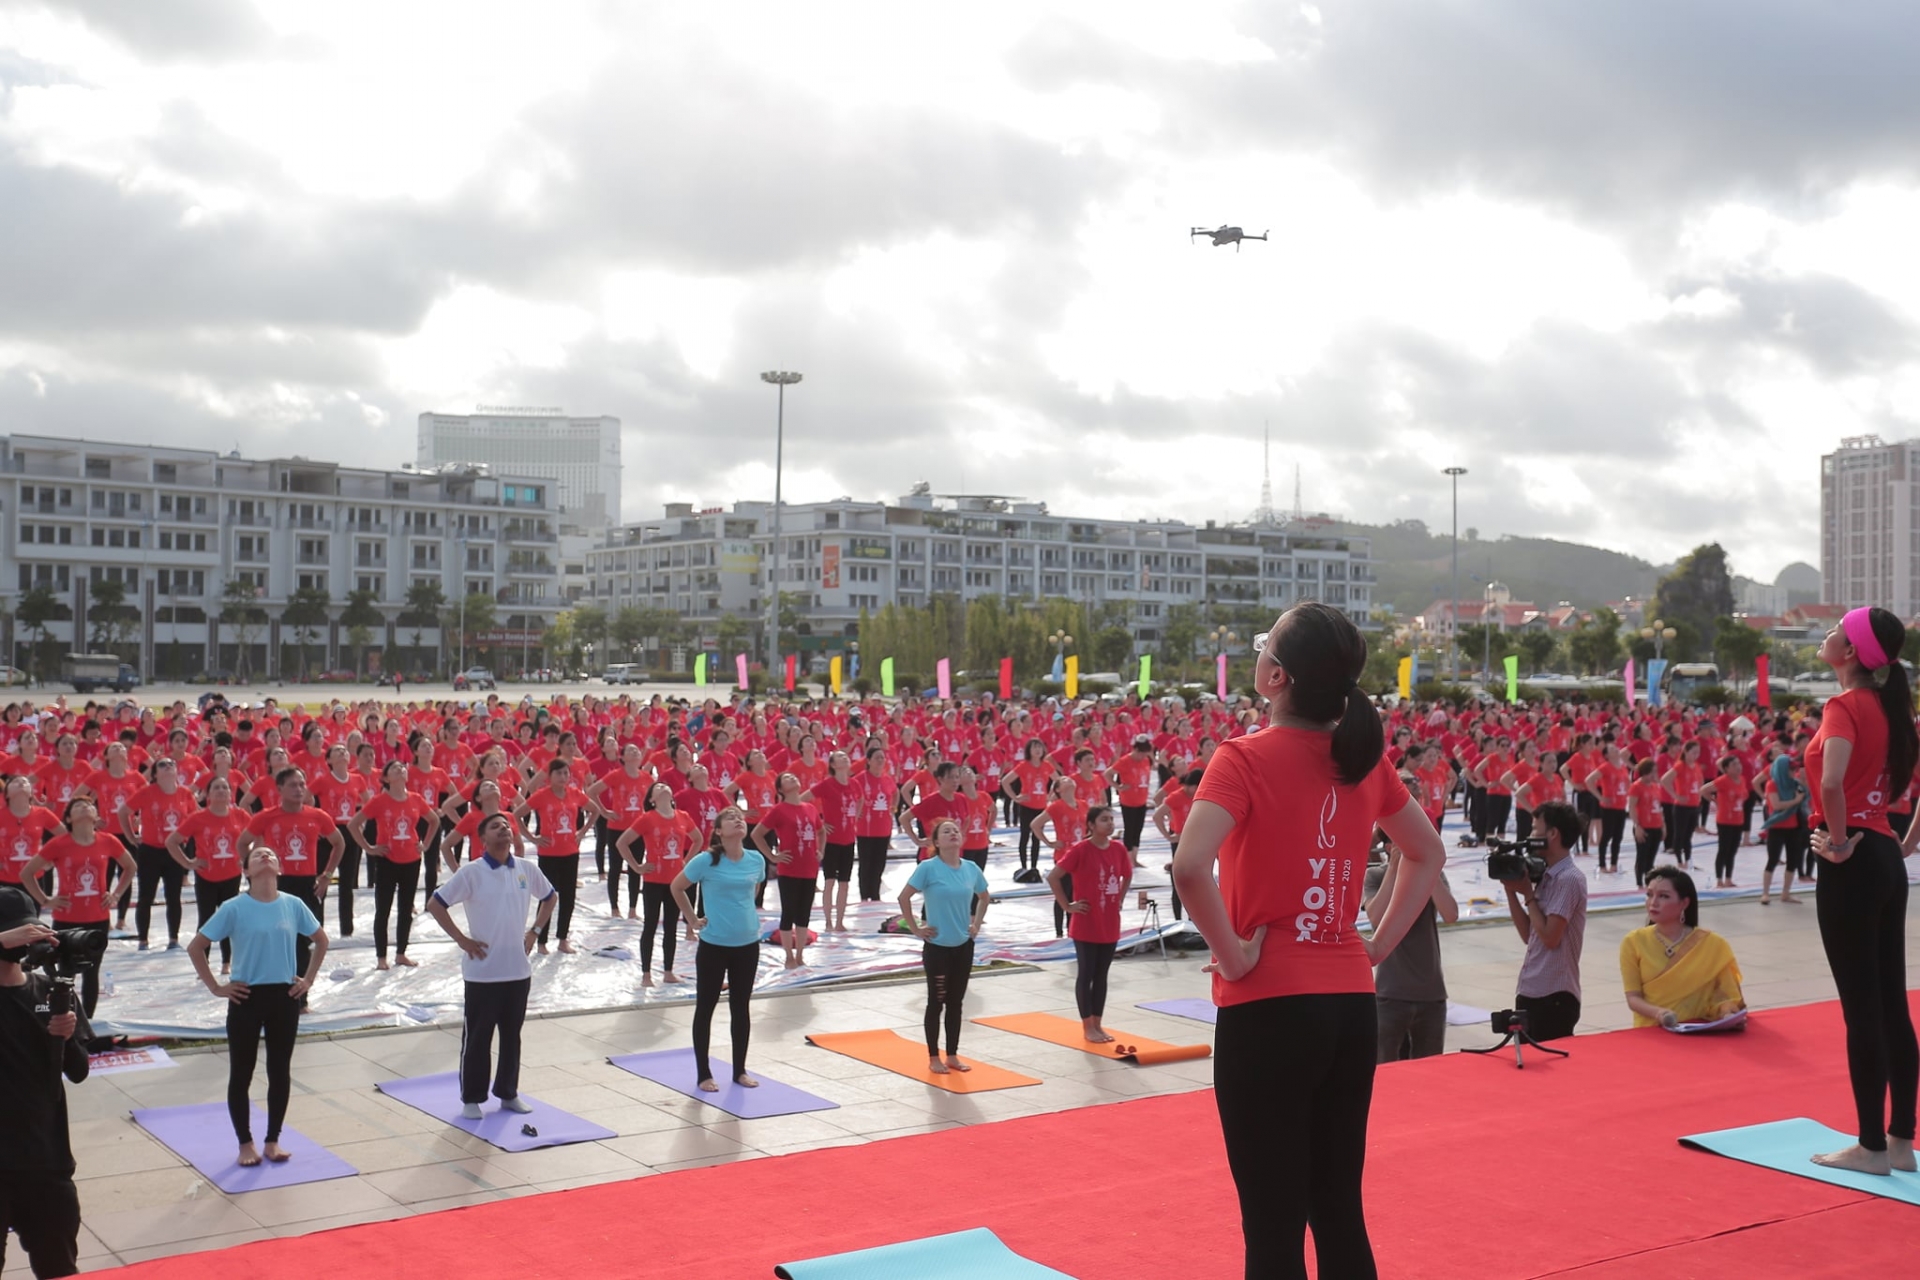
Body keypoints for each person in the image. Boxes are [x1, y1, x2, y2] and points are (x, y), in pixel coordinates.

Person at [1171, 601, 1444, 1280]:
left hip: (1267, 1009)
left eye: (1264, 648)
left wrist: (1233, 956)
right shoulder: (1361, 762)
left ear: (1273, 677)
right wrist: (1373, 945)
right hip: (1350, 1004)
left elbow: (1187, 866)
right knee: (1337, 1209)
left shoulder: (1242, 759)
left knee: (1272, 1223)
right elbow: (1426, 854)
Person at [1807, 607, 1919, 1176]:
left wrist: (1843, 839)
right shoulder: (1895, 709)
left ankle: (1871, 1146)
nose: (1827, 635)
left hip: (1851, 859)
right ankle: (1901, 1140)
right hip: (1885, 856)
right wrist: (1906, 841)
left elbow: (1830, 781)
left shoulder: (1845, 706)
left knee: (1862, 1011)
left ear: (1850, 654)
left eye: (1836, 631)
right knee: (1893, 1004)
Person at [186, 845, 328, 1169]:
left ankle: (273, 1140)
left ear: (279, 869)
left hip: (284, 997)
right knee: (242, 1072)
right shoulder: (234, 908)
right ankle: (245, 1142)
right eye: (256, 855)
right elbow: (196, 947)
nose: (265, 856)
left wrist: (307, 981)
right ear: (246, 871)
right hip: (246, 997)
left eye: (271, 855)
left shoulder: (293, 905)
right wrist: (216, 987)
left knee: (279, 1071)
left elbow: (321, 940)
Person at [427, 813, 557, 1120]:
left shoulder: (526, 869)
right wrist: (462, 939)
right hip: (482, 973)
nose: (504, 829)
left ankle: (508, 1093)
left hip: (517, 971)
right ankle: (472, 1097)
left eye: (506, 825)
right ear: (482, 838)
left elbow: (551, 897)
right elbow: (436, 903)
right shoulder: (472, 872)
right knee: (478, 1038)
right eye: (495, 827)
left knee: (512, 1036)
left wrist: (535, 931)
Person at [0, 885, 93, 1280]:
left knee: (59, 1269)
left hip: (46, 1160)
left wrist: (66, 1036)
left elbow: (78, 1070)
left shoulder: (52, 991)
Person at [671, 807, 767, 1093]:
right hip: (714, 945)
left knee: (741, 1007)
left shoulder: (756, 860)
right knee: (706, 1008)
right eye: (730, 818)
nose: (738, 821)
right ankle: (704, 1073)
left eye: (740, 817)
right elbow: (677, 887)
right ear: (718, 831)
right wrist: (692, 920)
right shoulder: (706, 861)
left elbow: (754, 891)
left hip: (747, 944)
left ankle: (739, 1071)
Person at [22, 800, 136, 1019]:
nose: (85, 807)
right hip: (67, 920)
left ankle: (87, 1022)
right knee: (64, 974)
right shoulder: (59, 844)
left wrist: (116, 895)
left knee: (92, 973)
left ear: (96, 816)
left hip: (98, 918)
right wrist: (45, 900)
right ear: (68, 819)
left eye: (90, 806)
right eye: (77, 806)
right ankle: (63, 1020)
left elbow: (130, 867)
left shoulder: (108, 841)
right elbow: (27, 873)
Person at [900, 818, 990, 1074]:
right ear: (936, 842)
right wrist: (916, 928)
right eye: (946, 831)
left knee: (956, 1002)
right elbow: (903, 897)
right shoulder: (928, 868)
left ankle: (952, 1054)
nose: (953, 833)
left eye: (956, 830)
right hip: (937, 946)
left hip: (963, 944)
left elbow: (984, 896)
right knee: (935, 1002)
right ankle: (933, 1057)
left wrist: (977, 924)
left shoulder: (971, 868)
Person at [1362, 831, 1458, 1062]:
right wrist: (1395, 867)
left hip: (1431, 993)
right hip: (1390, 994)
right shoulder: (1375, 875)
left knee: (1430, 1070)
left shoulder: (1432, 875)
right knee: (1385, 1071)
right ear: (1387, 847)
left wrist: (1429, 867)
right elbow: (1375, 916)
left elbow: (1451, 914)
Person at [1501, 800, 1588, 1042]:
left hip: (1555, 995)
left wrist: (1528, 894)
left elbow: (1550, 937)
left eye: (1534, 830)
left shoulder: (1569, 879)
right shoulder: (1547, 876)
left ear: (1552, 834)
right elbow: (1530, 934)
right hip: (1531, 989)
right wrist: (1511, 889)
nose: (1529, 837)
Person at [1619, 867, 1745, 1029]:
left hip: (1701, 1030)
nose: (1653, 902)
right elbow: (1633, 998)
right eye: (1649, 894)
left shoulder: (1713, 944)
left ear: (1684, 903)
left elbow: (1725, 996)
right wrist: (1660, 1014)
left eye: (1663, 896)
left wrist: (1728, 1013)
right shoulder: (1633, 942)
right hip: (1652, 1031)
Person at [1049, 806, 1131, 1042]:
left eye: (1111, 819)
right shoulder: (1081, 849)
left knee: (1102, 974)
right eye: (1104, 820)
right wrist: (1067, 906)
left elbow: (1127, 875)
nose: (1109, 823)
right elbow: (1054, 876)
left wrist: (1121, 899)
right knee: (1086, 974)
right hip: (1086, 922)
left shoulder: (1118, 848)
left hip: (1110, 921)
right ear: (1091, 825)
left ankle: (1098, 1023)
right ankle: (1087, 1027)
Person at [350, 762, 436, 972]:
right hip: (387, 860)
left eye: (402, 767)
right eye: (394, 769)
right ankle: (381, 957)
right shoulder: (379, 801)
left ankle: (401, 953)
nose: (400, 770)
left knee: (406, 909)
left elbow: (433, 820)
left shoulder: (416, 798)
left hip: (412, 859)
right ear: (386, 778)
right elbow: (353, 824)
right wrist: (369, 849)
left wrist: (424, 844)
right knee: (384, 909)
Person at [616, 784, 701, 987]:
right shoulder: (648, 818)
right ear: (652, 799)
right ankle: (646, 974)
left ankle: (668, 971)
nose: (663, 787)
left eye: (665, 786)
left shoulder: (683, 816)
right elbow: (622, 842)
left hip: (675, 883)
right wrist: (636, 867)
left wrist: (686, 860)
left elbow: (698, 839)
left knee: (671, 927)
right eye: (658, 787)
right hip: (653, 881)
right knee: (650, 926)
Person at [165, 777, 250, 972]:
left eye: (225, 787)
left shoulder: (240, 815)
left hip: (232, 874)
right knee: (207, 919)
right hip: (206, 876)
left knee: (231, 919)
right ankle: (203, 964)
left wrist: (247, 859)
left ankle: (227, 962)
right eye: (216, 787)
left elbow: (258, 835)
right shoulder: (198, 818)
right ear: (208, 794)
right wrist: (188, 863)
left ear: (231, 792)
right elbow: (172, 841)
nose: (221, 791)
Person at [1760, 753, 1809, 906]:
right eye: (1790, 769)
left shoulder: (1794, 783)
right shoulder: (1772, 784)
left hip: (1793, 827)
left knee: (1792, 860)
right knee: (1773, 860)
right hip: (1777, 827)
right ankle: (1765, 893)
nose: (1792, 772)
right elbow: (1777, 805)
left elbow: (1807, 794)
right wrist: (1795, 800)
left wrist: (1803, 781)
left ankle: (1786, 893)